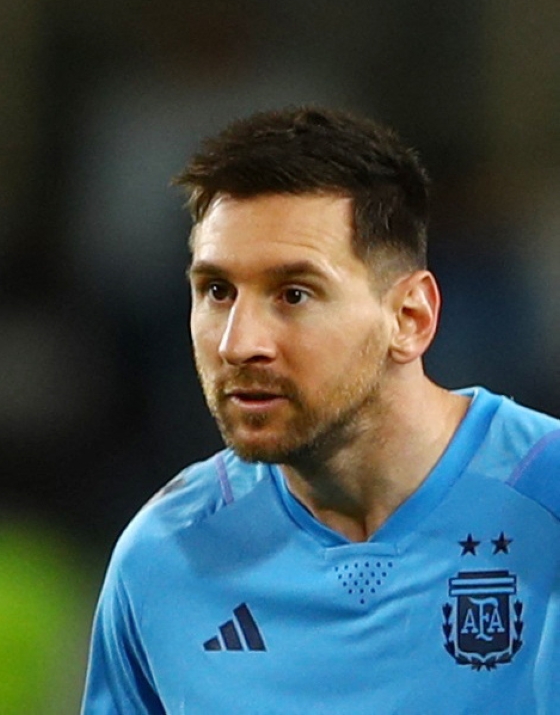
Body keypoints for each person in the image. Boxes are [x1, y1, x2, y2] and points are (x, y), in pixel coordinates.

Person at [81, 106, 560, 714]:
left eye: (294, 294)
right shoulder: (165, 557)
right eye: (217, 291)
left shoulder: (546, 500)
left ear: (409, 318)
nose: (238, 343)